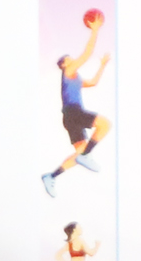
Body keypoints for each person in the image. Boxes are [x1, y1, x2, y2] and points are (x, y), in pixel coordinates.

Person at [40, 15, 110, 195]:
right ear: (64, 65)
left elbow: (93, 82)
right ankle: (86, 155)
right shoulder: (69, 71)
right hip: (73, 112)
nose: (72, 60)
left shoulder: (75, 78)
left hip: (69, 117)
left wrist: (102, 65)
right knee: (105, 124)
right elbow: (87, 53)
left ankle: (51, 176)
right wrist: (95, 30)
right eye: (69, 59)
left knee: (78, 154)